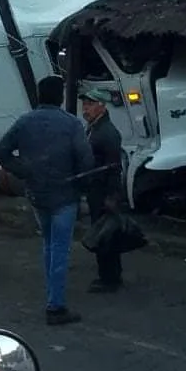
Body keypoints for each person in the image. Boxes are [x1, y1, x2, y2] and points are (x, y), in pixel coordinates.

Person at [0, 75, 94, 326]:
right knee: (60, 248)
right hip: (65, 194)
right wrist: (82, 186)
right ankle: (55, 306)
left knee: (49, 244)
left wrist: (23, 171)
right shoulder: (71, 124)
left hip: (37, 194)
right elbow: (85, 159)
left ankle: (53, 292)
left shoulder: (25, 122)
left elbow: (1, 152)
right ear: (60, 97)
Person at [79, 88, 125, 293]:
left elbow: (114, 167)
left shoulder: (107, 133)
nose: (85, 108)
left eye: (90, 104)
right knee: (103, 232)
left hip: (104, 191)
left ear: (102, 106)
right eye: (84, 104)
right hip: (95, 190)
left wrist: (113, 196)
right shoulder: (93, 129)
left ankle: (110, 277)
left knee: (106, 235)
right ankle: (108, 274)